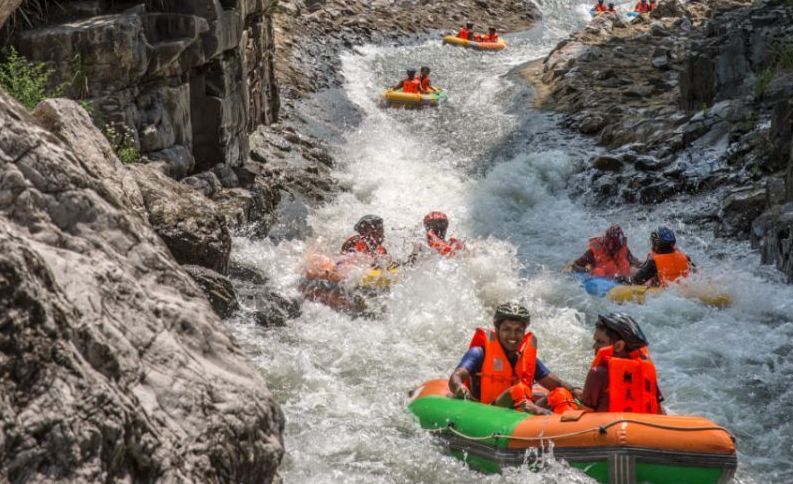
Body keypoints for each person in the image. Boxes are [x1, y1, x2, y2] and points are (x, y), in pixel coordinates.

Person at [448, 303, 583, 415]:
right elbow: (457, 376)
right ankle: (540, 413)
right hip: (487, 410)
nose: (513, 335)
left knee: (560, 393)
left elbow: (556, 383)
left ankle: (569, 424)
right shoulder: (479, 353)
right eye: (507, 329)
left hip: (522, 409)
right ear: (497, 330)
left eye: (518, 330)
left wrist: (574, 390)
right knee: (518, 390)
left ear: (524, 333)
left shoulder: (526, 360)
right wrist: (458, 386)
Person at [581, 313, 664, 414]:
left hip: (607, 424)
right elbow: (660, 412)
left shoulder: (597, 374)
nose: (594, 346)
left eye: (600, 342)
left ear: (619, 346)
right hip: (641, 424)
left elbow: (583, 413)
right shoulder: (646, 371)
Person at [571, 225, 641, 280]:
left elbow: (636, 263)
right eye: (612, 246)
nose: (614, 250)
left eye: (617, 247)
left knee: (634, 270)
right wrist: (590, 272)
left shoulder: (623, 249)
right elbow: (575, 266)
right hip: (604, 283)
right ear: (607, 242)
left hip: (621, 281)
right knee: (599, 272)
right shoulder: (593, 252)